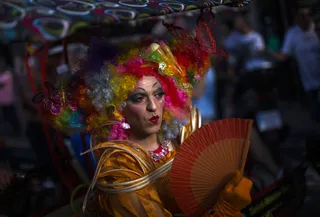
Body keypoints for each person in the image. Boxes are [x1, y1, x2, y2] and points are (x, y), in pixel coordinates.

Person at [34, 21, 253, 216]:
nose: (152, 106)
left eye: (158, 94)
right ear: (117, 108)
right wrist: (224, 209)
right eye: (138, 98)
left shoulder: (178, 140)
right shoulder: (120, 167)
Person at [271, 6, 320, 122]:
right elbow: (283, 56)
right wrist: (267, 52)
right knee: (316, 115)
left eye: (307, 15)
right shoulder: (293, 34)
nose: (305, 19)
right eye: (301, 16)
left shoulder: (316, 30)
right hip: (309, 83)